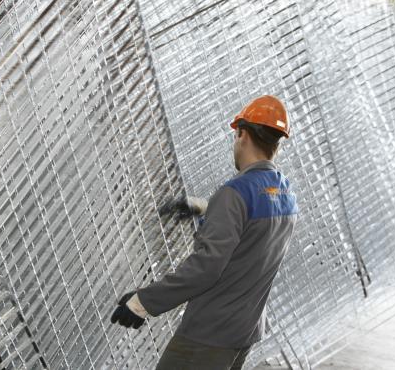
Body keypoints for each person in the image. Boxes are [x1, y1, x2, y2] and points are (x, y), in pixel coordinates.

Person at [110, 95, 298, 370]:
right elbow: (252, 236)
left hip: (209, 336)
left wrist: (142, 303)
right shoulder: (285, 193)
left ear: (242, 134)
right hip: (243, 331)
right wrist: (206, 209)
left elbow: (205, 269)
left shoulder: (234, 193)